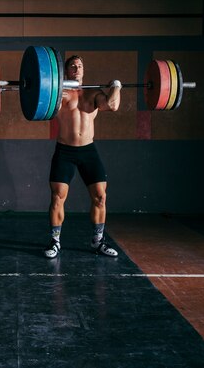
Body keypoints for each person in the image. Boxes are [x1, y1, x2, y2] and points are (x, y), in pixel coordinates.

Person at [44, 55, 122, 259]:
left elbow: (112, 105)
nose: (77, 68)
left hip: (88, 151)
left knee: (100, 196)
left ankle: (98, 242)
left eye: (80, 66)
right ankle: (55, 242)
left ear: (83, 71)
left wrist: (116, 86)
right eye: (73, 66)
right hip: (65, 151)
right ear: (67, 71)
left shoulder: (94, 93)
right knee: (57, 197)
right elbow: (41, 105)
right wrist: (45, 87)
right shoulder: (60, 94)